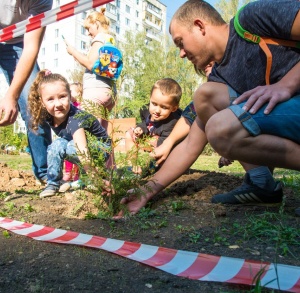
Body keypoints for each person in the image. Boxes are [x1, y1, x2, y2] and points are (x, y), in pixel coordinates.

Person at [116, 0, 299, 217]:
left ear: (200, 26)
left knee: (220, 126)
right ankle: (262, 186)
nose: (181, 53)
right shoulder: (218, 77)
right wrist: (146, 190)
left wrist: (286, 85)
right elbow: (191, 144)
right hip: (286, 115)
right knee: (207, 99)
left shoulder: (252, 19)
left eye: (180, 42)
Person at [27, 70, 111, 198]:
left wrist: (97, 179)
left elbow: (82, 150)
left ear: (70, 95)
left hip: (100, 148)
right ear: (42, 103)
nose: (58, 104)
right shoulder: (48, 116)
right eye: (50, 99)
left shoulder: (75, 118)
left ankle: (90, 178)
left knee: (71, 146)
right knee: (57, 145)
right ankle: (53, 183)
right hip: (80, 146)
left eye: (62, 96)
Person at [0, 0, 53, 184]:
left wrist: (12, 96)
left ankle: (46, 174)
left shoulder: (42, 1)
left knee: (34, 107)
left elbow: (31, 47)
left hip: (19, 44)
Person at [64, 8, 116, 130]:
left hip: (95, 91)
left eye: (88, 28)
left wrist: (73, 52)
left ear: (96, 24)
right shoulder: (110, 39)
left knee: (91, 132)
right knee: (103, 135)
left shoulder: (99, 39)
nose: (88, 33)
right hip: (109, 90)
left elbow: (90, 64)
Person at [125, 78, 182, 175]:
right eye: (154, 104)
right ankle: (133, 165)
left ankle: (148, 169)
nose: (157, 110)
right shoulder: (146, 110)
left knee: (157, 156)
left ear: (174, 108)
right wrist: (141, 128)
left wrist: (148, 146)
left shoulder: (172, 122)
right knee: (129, 134)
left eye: (164, 107)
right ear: (150, 98)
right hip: (149, 138)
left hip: (161, 146)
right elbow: (146, 123)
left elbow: (163, 145)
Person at [62, 82, 83, 182]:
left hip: (78, 135)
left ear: (79, 93)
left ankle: (77, 174)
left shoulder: (81, 106)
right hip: (69, 133)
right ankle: (67, 172)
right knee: (68, 154)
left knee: (78, 154)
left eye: (70, 91)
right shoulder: (68, 105)